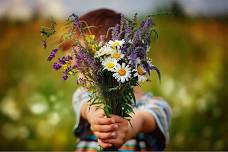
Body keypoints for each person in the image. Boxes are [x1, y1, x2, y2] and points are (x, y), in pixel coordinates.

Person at [72, 9, 171, 151]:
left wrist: (131, 125)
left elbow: (148, 117)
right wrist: (93, 114)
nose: (77, 69)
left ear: (110, 60)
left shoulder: (156, 105)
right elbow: (83, 103)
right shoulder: (86, 97)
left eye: (84, 61)